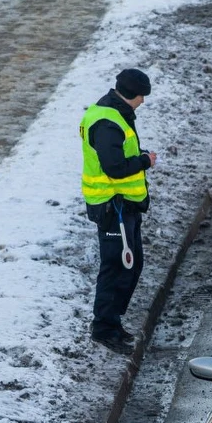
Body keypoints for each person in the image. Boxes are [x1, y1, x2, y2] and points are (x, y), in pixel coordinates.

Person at [80, 68, 157, 353]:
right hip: (113, 207)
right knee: (116, 267)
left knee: (131, 265)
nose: (143, 101)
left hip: (124, 205)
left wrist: (139, 156)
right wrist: (145, 162)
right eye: (142, 96)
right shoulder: (107, 122)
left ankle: (112, 322)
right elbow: (114, 167)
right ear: (132, 94)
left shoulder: (115, 112)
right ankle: (104, 329)